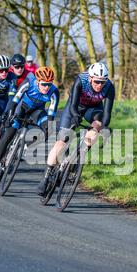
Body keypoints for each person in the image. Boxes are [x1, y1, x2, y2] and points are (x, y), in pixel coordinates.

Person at [37, 62, 115, 196]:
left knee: (97, 126)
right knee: (62, 142)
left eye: (102, 82)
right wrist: (75, 117)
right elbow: (73, 103)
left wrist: (104, 127)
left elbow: (107, 113)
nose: (99, 85)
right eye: (97, 81)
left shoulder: (109, 87)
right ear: (90, 78)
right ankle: (47, 174)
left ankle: (79, 156)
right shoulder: (81, 80)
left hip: (94, 109)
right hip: (75, 107)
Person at [0, 67, 59, 180]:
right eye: (44, 84)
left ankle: (23, 148)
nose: (46, 87)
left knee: (47, 129)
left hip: (37, 111)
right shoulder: (29, 83)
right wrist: (10, 113)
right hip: (22, 107)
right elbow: (15, 99)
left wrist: (48, 127)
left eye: (49, 84)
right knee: (9, 134)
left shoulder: (54, 92)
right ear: (38, 81)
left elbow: (51, 112)